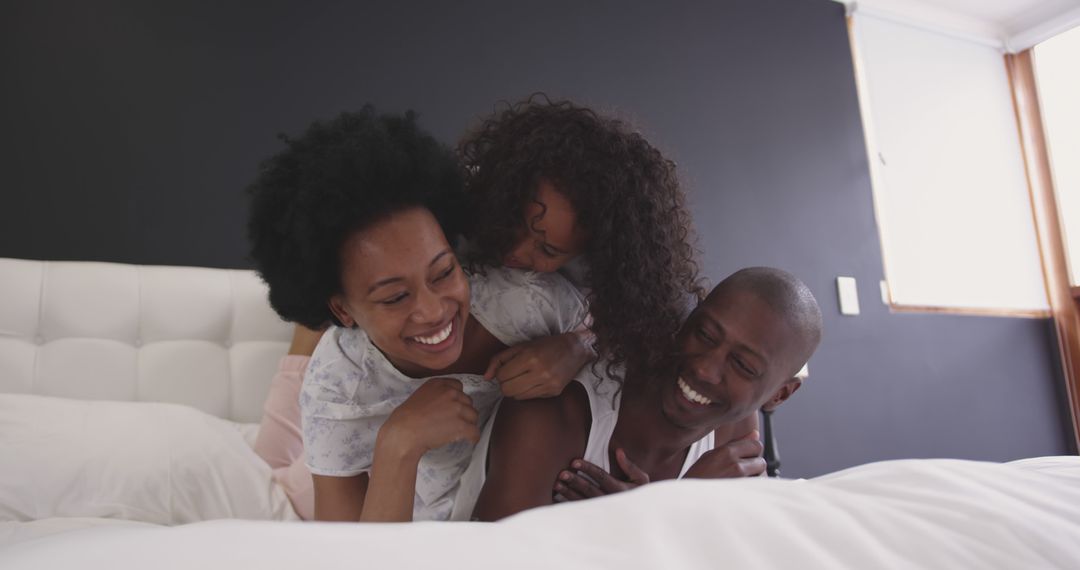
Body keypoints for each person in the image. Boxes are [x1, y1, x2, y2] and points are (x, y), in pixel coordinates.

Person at [246, 108, 587, 522]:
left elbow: (637, 331)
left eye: (444, 272)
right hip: (366, 488)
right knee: (274, 474)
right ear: (342, 307)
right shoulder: (335, 387)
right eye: (395, 297)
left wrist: (578, 346)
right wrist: (398, 446)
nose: (433, 311)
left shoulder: (522, 302)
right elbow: (349, 555)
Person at [453, 267, 823, 521]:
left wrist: (647, 515)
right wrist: (668, 516)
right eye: (705, 335)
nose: (705, 369)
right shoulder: (556, 410)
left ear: (779, 394)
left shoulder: (735, 435)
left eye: (743, 366)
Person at [458, 95, 704, 396]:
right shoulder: (447, 204)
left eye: (548, 250)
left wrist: (579, 345)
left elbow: (643, 332)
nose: (516, 251)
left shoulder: (581, 296)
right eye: (515, 222)